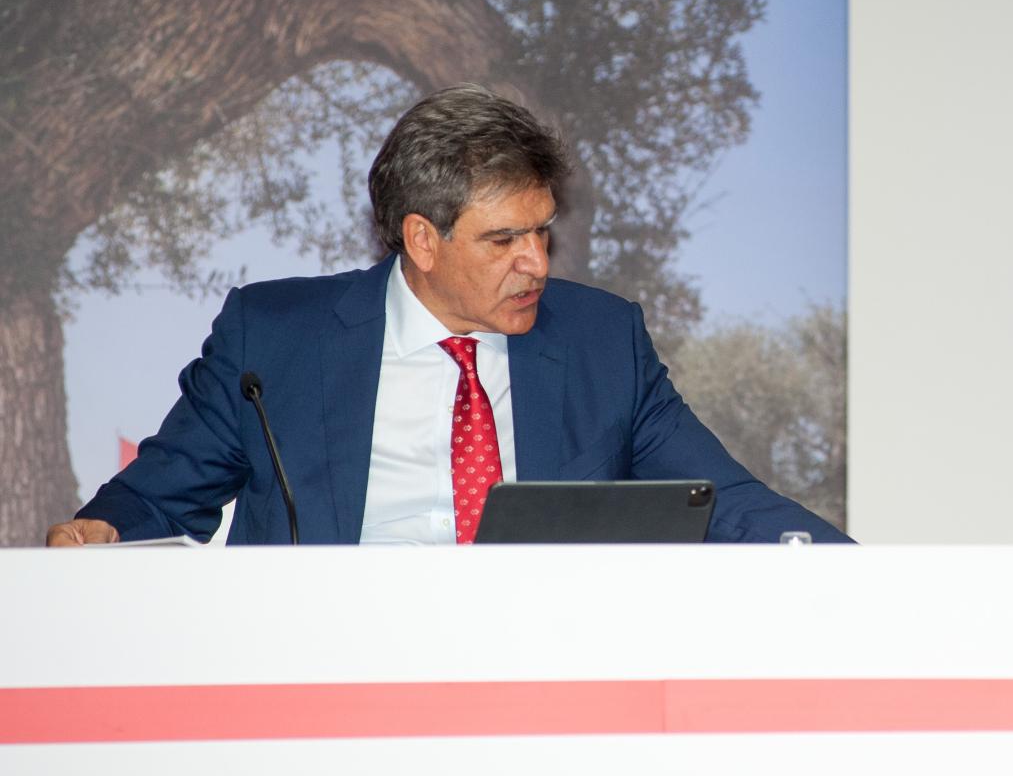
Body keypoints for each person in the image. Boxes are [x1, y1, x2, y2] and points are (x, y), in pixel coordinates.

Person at [48, 85, 849, 546]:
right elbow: (155, 499)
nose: (536, 261)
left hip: (542, 686)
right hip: (325, 685)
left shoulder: (604, 341)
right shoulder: (275, 340)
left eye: (541, 231)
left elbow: (728, 502)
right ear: (421, 239)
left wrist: (874, 580)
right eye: (504, 240)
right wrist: (100, 532)